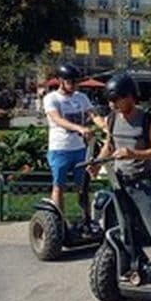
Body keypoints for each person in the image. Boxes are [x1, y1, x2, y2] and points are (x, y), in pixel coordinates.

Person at [95, 73, 151, 279]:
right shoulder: (111, 119)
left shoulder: (146, 119)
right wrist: (97, 163)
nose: (112, 104)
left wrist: (134, 153)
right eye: (110, 100)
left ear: (129, 96)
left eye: (116, 99)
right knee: (125, 228)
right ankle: (135, 264)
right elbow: (109, 145)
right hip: (119, 182)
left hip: (141, 182)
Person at [43, 63, 101, 222]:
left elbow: (93, 114)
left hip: (79, 149)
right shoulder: (51, 98)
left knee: (82, 187)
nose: (75, 86)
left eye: (77, 82)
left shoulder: (81, 97)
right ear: (61, 81)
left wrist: (105, 126)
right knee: (58, 186)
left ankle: (86, 220)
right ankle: (58, 222)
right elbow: (57, 119)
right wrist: (80, 128)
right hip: (59, 148)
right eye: (71, 82)